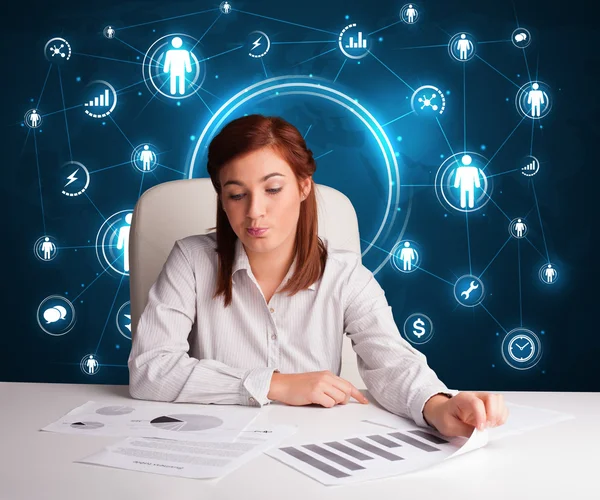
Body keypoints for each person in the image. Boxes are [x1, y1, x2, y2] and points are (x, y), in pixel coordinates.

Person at [128, 114, 508, 438]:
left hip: (312, 451)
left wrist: (439, 406)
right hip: (212, 444)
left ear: (303, 187)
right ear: (221, 199)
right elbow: (150, 370)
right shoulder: (191, 260)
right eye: (236, 195)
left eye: (273, 189)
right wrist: (275, 384)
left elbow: (392, 364)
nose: (254, 212)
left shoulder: (344, 276)